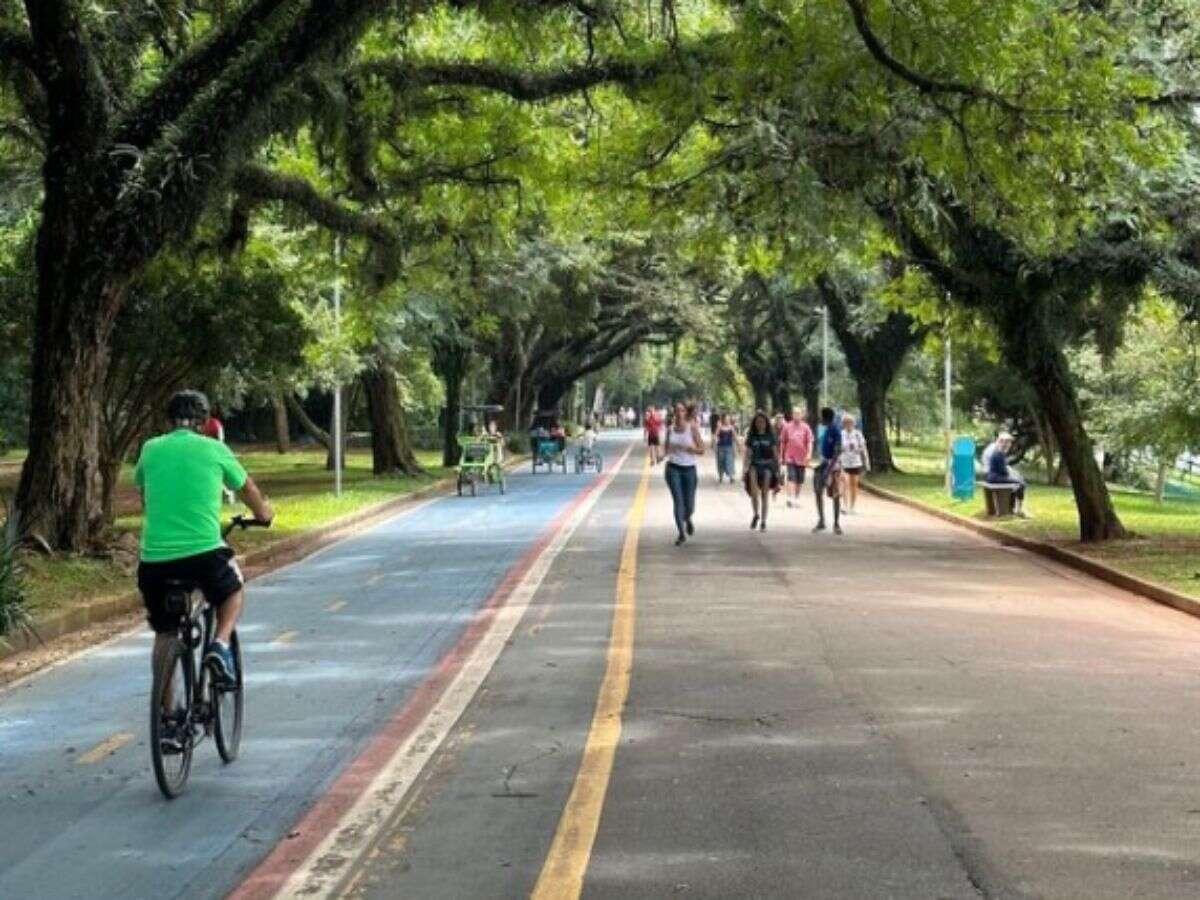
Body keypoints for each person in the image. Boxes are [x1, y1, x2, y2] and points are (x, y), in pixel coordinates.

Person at [135, 390, 274, 688]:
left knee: (165, 630)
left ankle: (166, 719)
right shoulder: (215, 450)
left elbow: (145, 495)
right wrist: (264, 514)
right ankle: (220, 645)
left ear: (169, 420)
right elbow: (247, 489)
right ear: (205, 421)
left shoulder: (149, 449)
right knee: (233, 589)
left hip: (154, 562)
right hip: (204, 554)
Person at [663, 402, 705, 546]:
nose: (679, 413)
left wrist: (690, 449)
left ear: (686, 412)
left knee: (690, 505)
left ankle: (687, 518)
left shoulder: (692, 427)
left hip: (689, 469)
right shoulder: (670, 429)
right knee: (678, 501)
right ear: (673, 413)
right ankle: (681, 533)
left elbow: (702, 449)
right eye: (676, 410)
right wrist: (662, 454)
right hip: (673, 468)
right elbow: (666, 449)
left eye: (681, 410)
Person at [743, 411, 779, 532]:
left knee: (764, 494)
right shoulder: (751, 436)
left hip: (767, 466)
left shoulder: (770, 436)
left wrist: (778, 471)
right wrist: (744, 469)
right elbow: (747, 454)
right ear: (755, 423)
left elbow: (775, 454)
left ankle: (763, 521)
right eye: (758, 422)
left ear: (766, 423)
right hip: (754, 465)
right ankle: (756, 514)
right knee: (754, 493)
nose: (760, 424)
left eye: (762, 422)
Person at [813, 407, 843, 535]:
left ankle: (836, 523)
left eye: (821, 416)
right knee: (818, 491)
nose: (819, 419)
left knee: (835, 494)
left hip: (832, 465)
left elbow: (837, 451)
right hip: (823, 463)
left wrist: (829, 470)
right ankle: (821, 520)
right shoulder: (825, 430)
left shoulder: (835, 431)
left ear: (825, 418)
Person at [987, 433, 1030, 517]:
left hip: (994, 477)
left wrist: (1013, 474)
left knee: (1017, 482)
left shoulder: (998, 452)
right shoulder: (999, 453)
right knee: (1021, 484)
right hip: (996, 478)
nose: (1009, 445)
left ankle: (1014, 508)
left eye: (1010, 442)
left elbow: (1003, 469)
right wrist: (1013, 476)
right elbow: (1003, 471)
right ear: (1003, 443)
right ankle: (1020, 510)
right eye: (1008, 442)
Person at [779, 409, 814, 508]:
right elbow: (782, 442)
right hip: (790, 457)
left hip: (802, 458)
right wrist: (781, 456)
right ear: (792, 415)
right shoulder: (787, 427)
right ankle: (791, 498)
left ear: (801, 415)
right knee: (791, 478)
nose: (796, 415)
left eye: (798, 414)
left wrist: (809, 454)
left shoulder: (806, 427)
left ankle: (796, 498)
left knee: (799, 480)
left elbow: (809, 442)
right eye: (795, 413)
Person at [839, 413, 870, 513]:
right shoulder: (841, 434)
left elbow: (863, 448)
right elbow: (836, 448)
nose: (849, 424)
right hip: (844, 462)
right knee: (845, 482)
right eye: (846, 422)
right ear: (843, 424)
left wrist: (865, 460)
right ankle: (844, 505)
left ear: (854, 423)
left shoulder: (858, 434)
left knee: (854, 484)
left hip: (856, 462)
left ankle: (852, 506)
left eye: (851, 422)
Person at [714, 413, 738, 484]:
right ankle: (720, 476)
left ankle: (731, 477)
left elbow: (735, 437)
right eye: (726, 419)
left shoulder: (731, 427)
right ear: (723, 419)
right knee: (720, 462)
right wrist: (715, 441)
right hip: (720, 447)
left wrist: (738, 445)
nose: (727, 420)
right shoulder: (720, 427)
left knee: (729, 461)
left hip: (729, 447)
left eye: (728, 419)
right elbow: (715, 435)